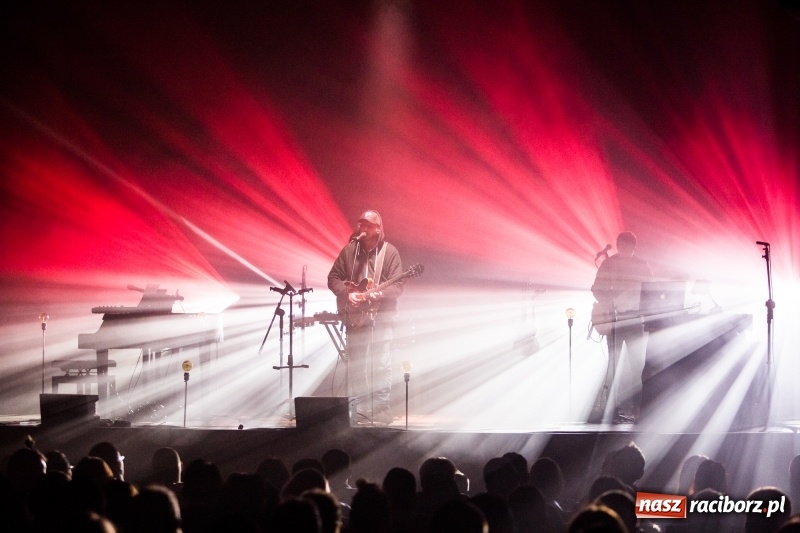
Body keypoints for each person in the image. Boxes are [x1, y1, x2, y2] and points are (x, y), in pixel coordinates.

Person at [328, 210, 404, 425]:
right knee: (357, 363)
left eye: (368, 225)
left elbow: (398, 286)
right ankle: (359, 408)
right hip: (355, 316)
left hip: (381, 316)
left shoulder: (390, 253)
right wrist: (346, 293)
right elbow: (333, 277)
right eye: (361, 224)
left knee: (380, 362)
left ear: (378, 228)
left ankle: (380, 408)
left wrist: (382, 293)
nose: (363, 228)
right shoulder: (350, 250)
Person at [591, 231, 653, 423]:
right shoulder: (609, 263)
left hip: (634, 320)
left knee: (637, 367)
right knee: (613, 366)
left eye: (626, 246)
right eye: (621, 246)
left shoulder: (642, 265)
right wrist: (609, 302)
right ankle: (611, 410)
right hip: (615, 321)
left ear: (633, 247)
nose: (623, 249)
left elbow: (651, 290)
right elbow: (596, 288)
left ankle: (639, 409)